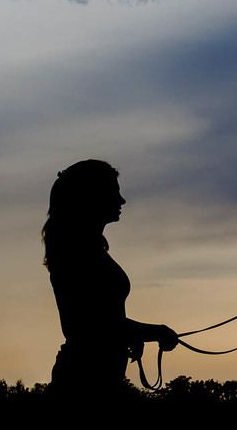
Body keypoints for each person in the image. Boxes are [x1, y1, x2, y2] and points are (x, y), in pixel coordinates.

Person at [43, 159, 179, 403]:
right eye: (114, 193)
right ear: (93, 197)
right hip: (87, 384)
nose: (122, 201)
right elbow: (95, 325)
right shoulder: (79, 254)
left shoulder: (86, 250)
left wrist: (132, 336)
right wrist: (155, 332)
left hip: (96, 379)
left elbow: (102, 322)